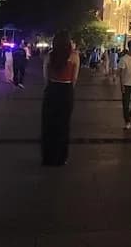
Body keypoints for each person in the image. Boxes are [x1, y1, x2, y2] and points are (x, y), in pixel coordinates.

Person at [41, 31, 79, 166]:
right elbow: (74, 78)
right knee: (63, 125)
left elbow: (45, 76)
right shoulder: (74, 56)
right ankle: (61, 157)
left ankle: (48, 157)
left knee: (49, 125)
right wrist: (69, 90)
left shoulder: (50, 55)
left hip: (52, 90)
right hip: (66, 90)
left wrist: (49, 87)